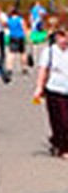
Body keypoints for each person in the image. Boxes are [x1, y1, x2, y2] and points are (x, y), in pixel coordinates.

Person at [33, 27, 68, 157]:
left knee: (66, 120)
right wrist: (39, 87)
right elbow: (43, 70)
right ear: (57, 37)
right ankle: (60, 145)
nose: (64, 40)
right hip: (55, 90)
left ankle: (61, 144)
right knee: (58, 120)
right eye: (62, 37)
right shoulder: (49, 52)